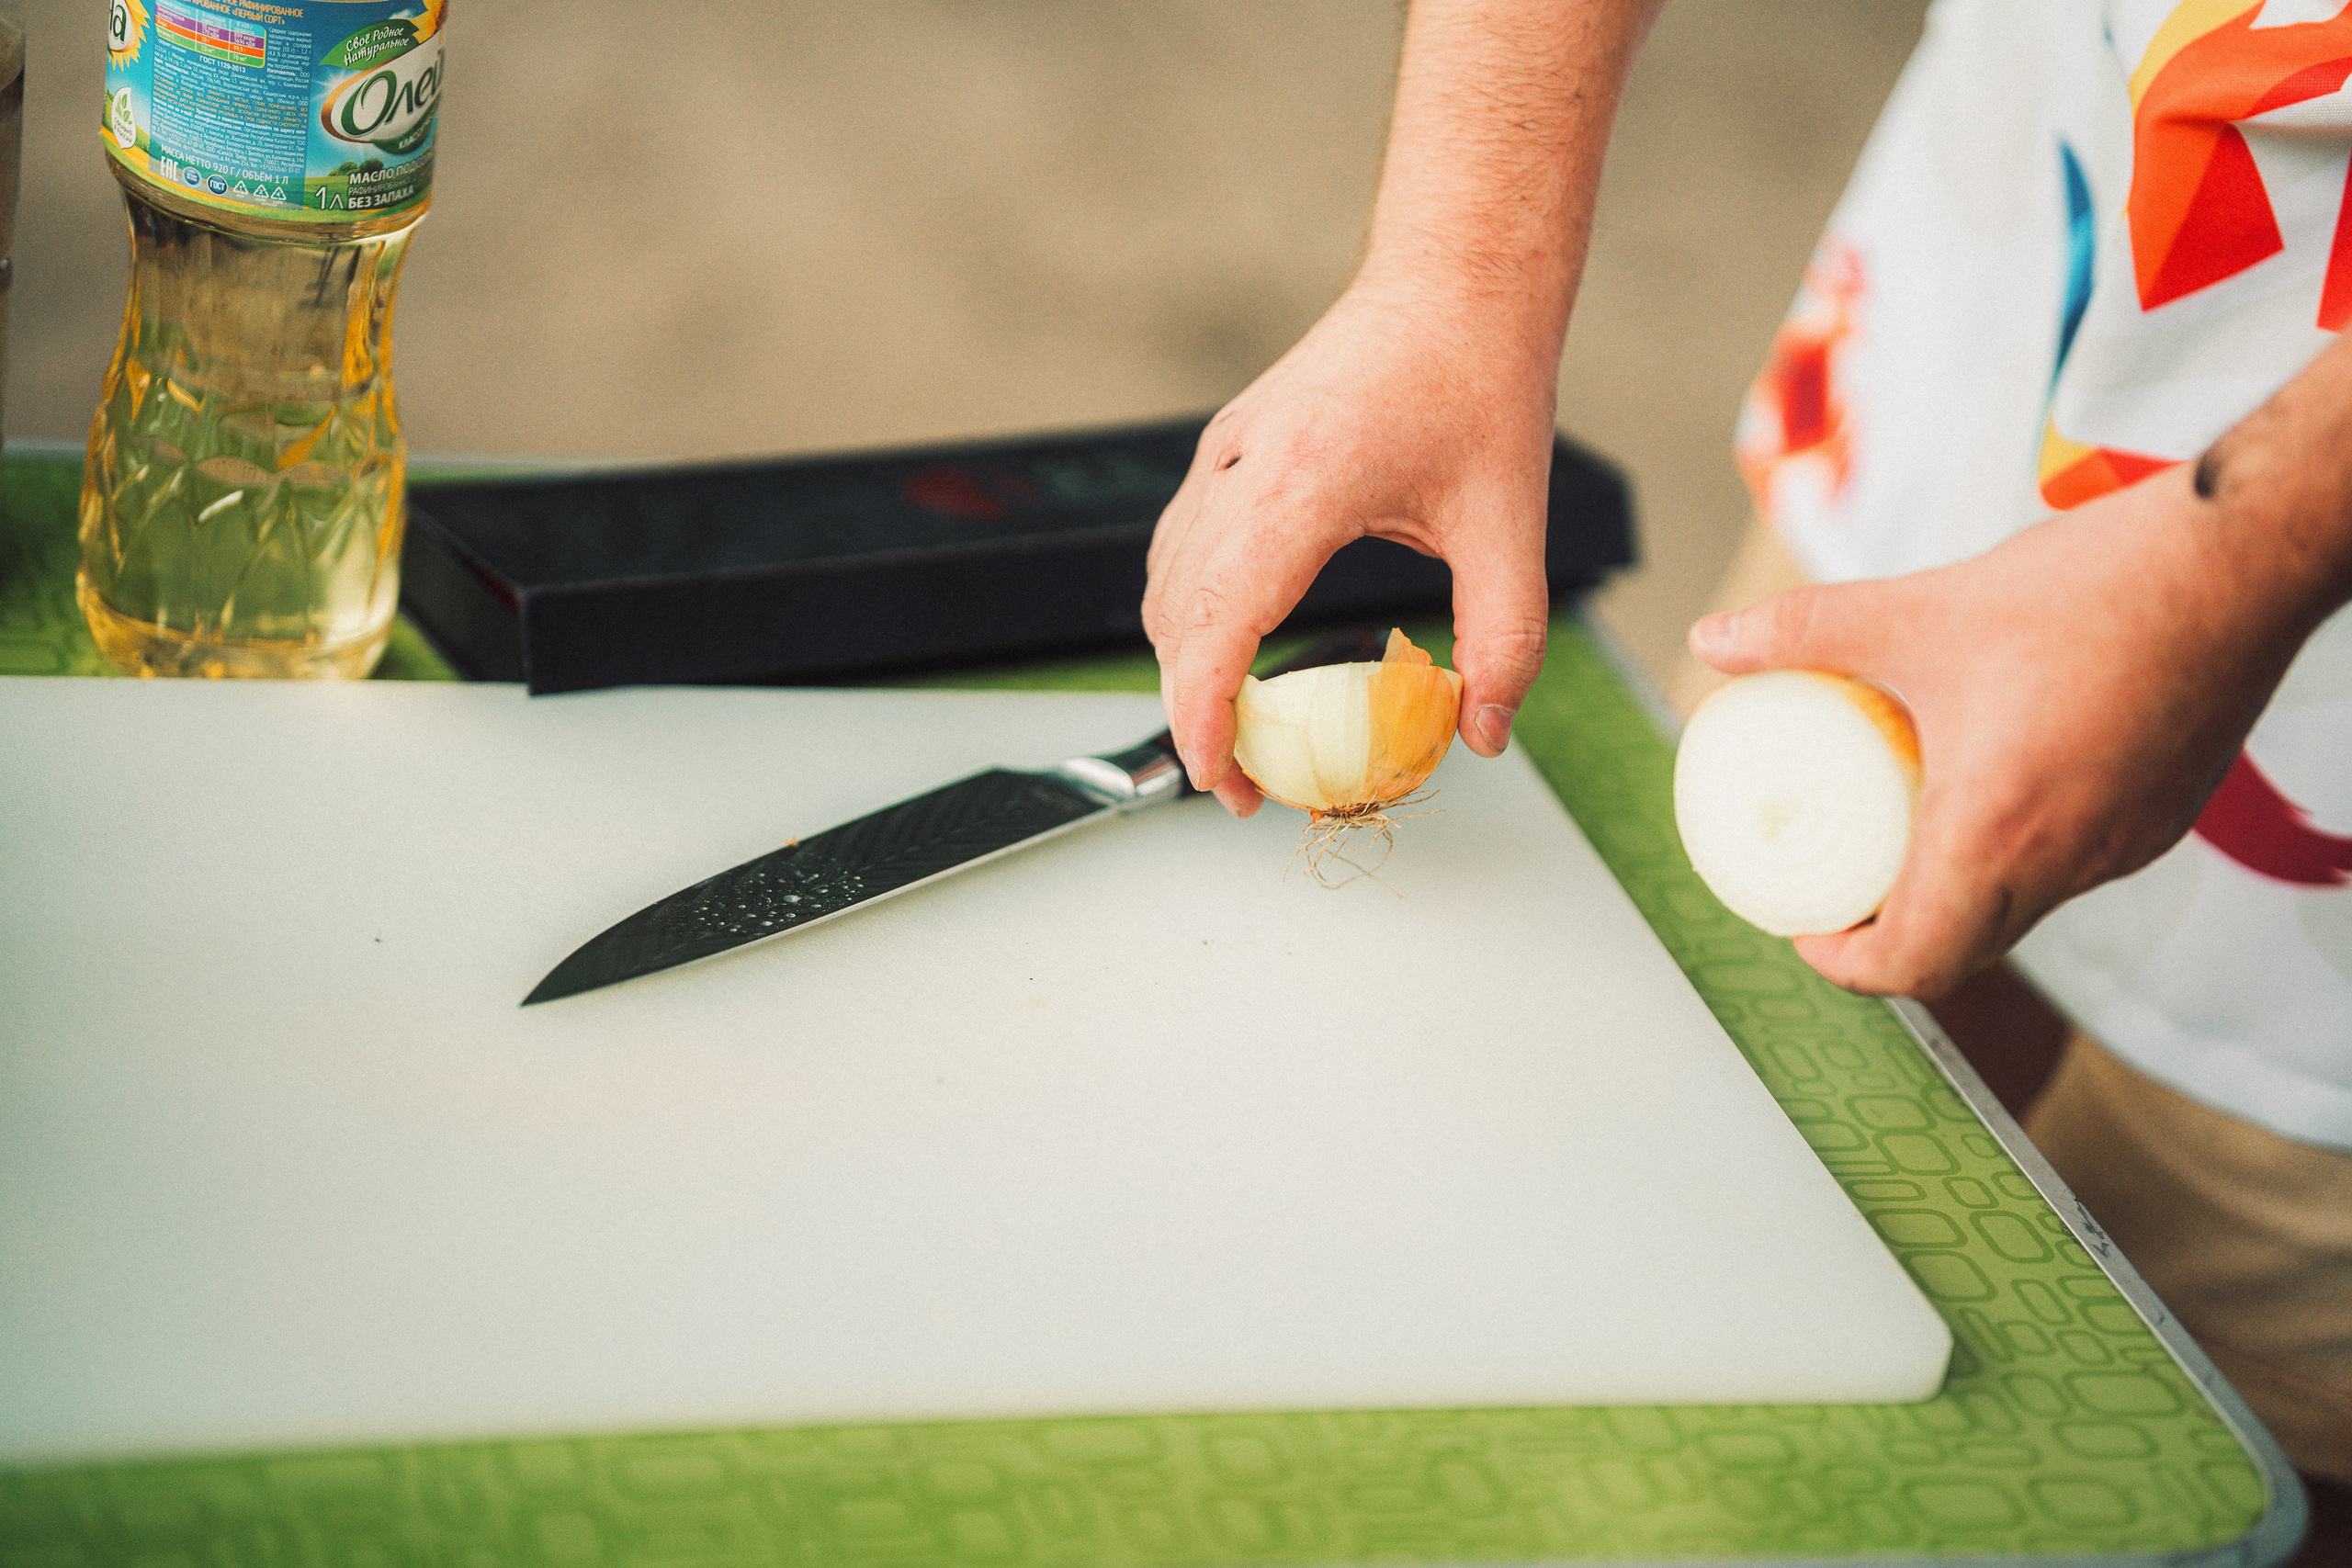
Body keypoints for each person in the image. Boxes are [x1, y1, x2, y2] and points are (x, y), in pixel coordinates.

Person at [1142, 0, 2352, 1483]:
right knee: (1781, 1150)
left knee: (2224, 1434)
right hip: (2020, 252)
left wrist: (2240, 559)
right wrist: (1448, 273)